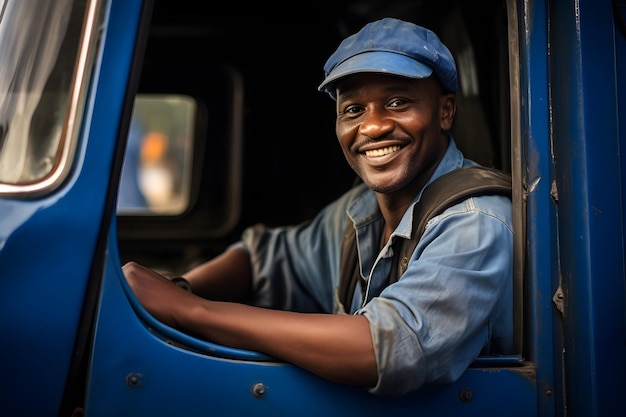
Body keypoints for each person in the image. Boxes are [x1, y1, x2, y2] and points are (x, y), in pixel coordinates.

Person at [123, 17, 513, 396]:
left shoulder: (476, 221)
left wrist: (190, 311)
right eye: (354, 110)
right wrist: (184, 286)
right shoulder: (360, 210)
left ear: (445, 111)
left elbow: (389, 350)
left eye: (397, 102)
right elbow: (267, 258)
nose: (373, 126)